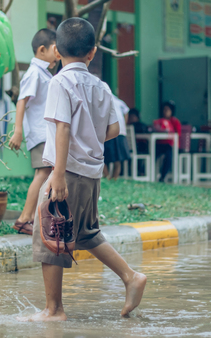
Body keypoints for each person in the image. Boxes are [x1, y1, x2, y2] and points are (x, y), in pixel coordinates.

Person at [18, 17, 146, 322]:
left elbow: (62, 128)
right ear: (92, 52)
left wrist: (58, 174)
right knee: (86, 234)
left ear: (58, 52)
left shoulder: (60, 82)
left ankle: (54, 310)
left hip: (67, 172)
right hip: (91, 174)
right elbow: (114, 128)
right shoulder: (100, 86)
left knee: (49, 234)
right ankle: (130, 277)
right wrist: (88, 135)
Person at [9, 29, 58, 236]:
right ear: (42, 50)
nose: (59, 53)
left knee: (47, 174)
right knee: (42, 174)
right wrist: (17, 130)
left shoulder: (44, 73)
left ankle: (39, 218)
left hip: (47, 133)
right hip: (40, 134)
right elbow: (22, 101)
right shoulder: (34, 73)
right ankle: (23, 219)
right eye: (56, 49)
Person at [103, 95, 131, 180]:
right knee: (107, 156)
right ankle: (109, 177)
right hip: (113, 130)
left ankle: (112, 177)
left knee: (114, 157)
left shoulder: (114, 101)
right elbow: (126, 111)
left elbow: (126, 111)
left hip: (116, 131)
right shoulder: (118, 101)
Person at [153, 101, 181, 182]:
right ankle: (143, 171)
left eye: (167, 110)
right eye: (164, 110)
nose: (165, 112)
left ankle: (163, 176)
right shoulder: (160, 121)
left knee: (169, 156)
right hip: (160, 144)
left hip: (170, 145)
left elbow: (177, 135)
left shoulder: (175, 121)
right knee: (153, 152)